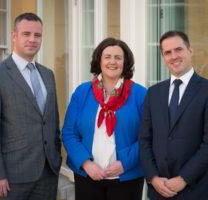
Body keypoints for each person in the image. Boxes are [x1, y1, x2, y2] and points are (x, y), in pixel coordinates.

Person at [0, 12, 61, 200]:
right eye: (26, 34)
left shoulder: (48, 75)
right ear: (14, 36)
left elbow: (51, 121)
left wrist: (57, 157)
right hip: (12, 175)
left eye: (37, 35)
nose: (32, 40)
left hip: (48, 172)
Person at [139, 30, 208, 200]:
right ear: (163, 57)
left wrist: (184, 178)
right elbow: (144, 139)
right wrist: (153, 178)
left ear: (190, 51)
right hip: (159, 189)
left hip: (196, 188)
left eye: (178, 49)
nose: (173, 56)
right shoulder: (153, 93)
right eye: (167, 52)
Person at [62, 37, 146, 200]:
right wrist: (86, 163)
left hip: (127, 176)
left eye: (118, 57)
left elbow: (148, 136)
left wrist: (125, 164)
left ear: (125, 62)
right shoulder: (82, 92)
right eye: (107, 57)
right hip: (87, 176)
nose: (112, 62)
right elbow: (69, 133)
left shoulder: (140, 94)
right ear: (99, 61)